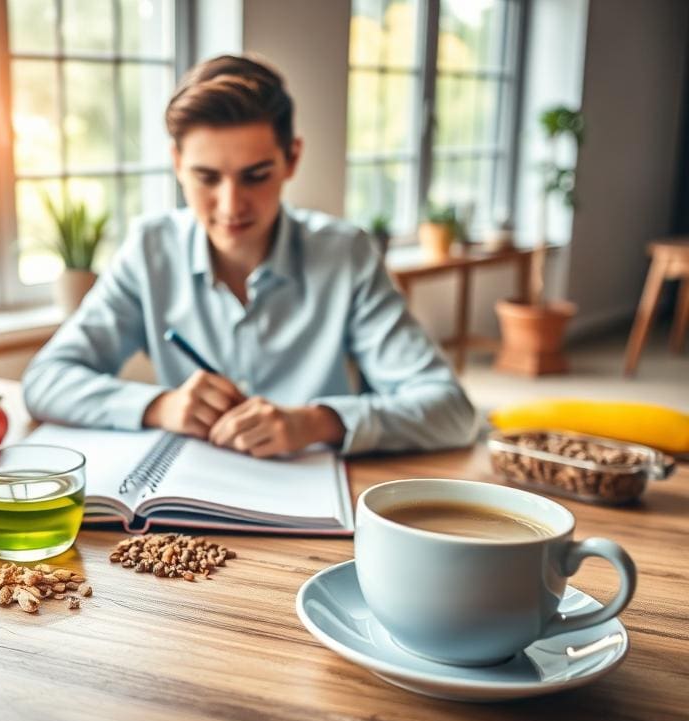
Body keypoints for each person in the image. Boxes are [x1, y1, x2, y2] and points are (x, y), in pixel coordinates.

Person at [23, 54, 477, 457]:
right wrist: (163, 406)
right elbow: (45, 381)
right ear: (178, 163)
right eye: (206, 177)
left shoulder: (345, 255)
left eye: (256, 176)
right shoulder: (150, 250)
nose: (231, 205)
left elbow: (451, 411)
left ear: (291, 158)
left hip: (316, 500)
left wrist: (317, 422)